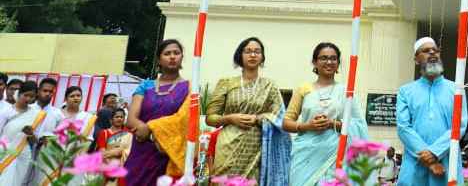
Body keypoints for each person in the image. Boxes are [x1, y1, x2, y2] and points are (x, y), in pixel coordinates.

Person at [284, 42, 369, 186]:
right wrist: (307, 126)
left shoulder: (346, 92)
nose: (329, 62)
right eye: (323, 58)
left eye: (333, 58)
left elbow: (359, 125)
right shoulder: (303, 89)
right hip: (305, 157)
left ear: (338, 63)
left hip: (337, 157)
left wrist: (333, 124)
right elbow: (286, 122)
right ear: (314, 62)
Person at [205, 37, 284, 179]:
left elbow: (279, 116)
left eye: (257, 52)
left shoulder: (270, 86)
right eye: (248, 51)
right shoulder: (226, 83)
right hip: (228, 145)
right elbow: (210, 118)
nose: (253, 55)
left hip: (256, 147)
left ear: (262, 57)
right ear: (239, 56)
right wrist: (230, 118)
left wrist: (258, 118)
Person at [396, 36, 467, 185]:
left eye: (435, 50)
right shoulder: (405, 91)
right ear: (416, 59)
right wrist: (429, 160)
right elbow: (403, 128)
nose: (432, 53)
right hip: (415, 162)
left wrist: (435, 152)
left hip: (447, 161)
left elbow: (459, 125)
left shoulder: (457, 89)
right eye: (426, 51)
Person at [124, 38, 190, 185]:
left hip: (169, 154)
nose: (172, 56)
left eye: (176, 53)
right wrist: (144, 129)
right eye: (167, 53)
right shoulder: (145, 86)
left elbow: (184, 122)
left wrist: (151, 130)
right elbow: (131, 119)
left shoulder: (189, 88)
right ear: (159, 60)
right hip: (141, 151)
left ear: (181, 58)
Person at [35, 85, 99, 184]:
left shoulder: (88, 117)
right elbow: (46, 135)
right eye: (72, 96)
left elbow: (88, 140)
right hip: (53, 155)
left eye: (78, 95)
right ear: (66, 98)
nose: (76, 98)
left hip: (74, 156)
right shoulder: (55, 113)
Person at [0, 81, 45, 186]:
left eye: (32, 96)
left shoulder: (36, 114)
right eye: (26, 95)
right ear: (19, 93)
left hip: (23, 153)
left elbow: (35, 141)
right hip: (4, 151)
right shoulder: (6, 112)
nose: (28, 99)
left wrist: (30, 134)